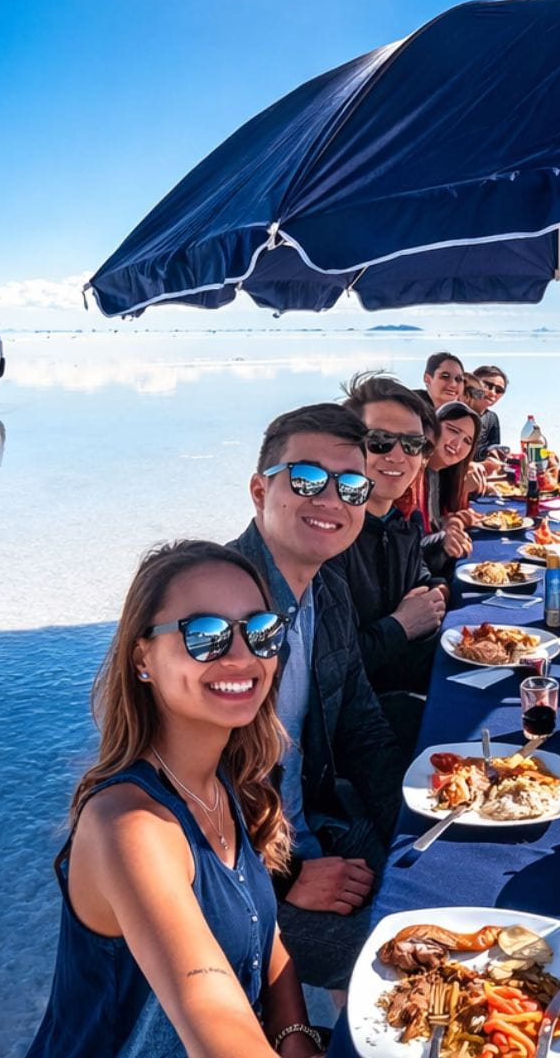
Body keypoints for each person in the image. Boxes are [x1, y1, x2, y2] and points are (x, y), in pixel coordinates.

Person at [25, 540, 322, 1058]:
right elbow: (210, 1007)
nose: (242, 655)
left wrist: (294, 1035)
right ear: (143, 658)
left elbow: (261, 928)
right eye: (204, 635)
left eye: (260, 630)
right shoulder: (129, 826)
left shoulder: (227, 780)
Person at [226, 403, 405, 993]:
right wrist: (285, 880)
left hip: (320, 824)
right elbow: (176, 798)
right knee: (400, 967)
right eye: (306, 479)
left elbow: (362, 726)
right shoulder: (217, 612)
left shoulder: (326, 589)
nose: (331, 499)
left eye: (351, 485)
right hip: (241, 879)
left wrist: (407, 831)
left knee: (451, 887)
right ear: (260, 490)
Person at [336, 373, 445, 738]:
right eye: (380, 441)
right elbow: (332, 664)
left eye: (413, 444)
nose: (398, 456)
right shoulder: (329, 540)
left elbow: (421, 580)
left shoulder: (402, 525)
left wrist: (437, 593)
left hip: (406, 687)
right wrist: (402, 625)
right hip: (354, 727)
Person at [418, 400, 482, 576]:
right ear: (432, 427)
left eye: (467, 441)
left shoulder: (439, 474)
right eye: (453, 430)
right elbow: (402, 547)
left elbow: (437, 522)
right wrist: (442, 538)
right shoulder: (409, 475)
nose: (457, 444)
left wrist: (452, 521)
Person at [470, 365, 508, 461]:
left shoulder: (492, 418)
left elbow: (493, 455)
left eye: (499, 390)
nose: (492, 393)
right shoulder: (454, 410)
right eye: (487, 385)